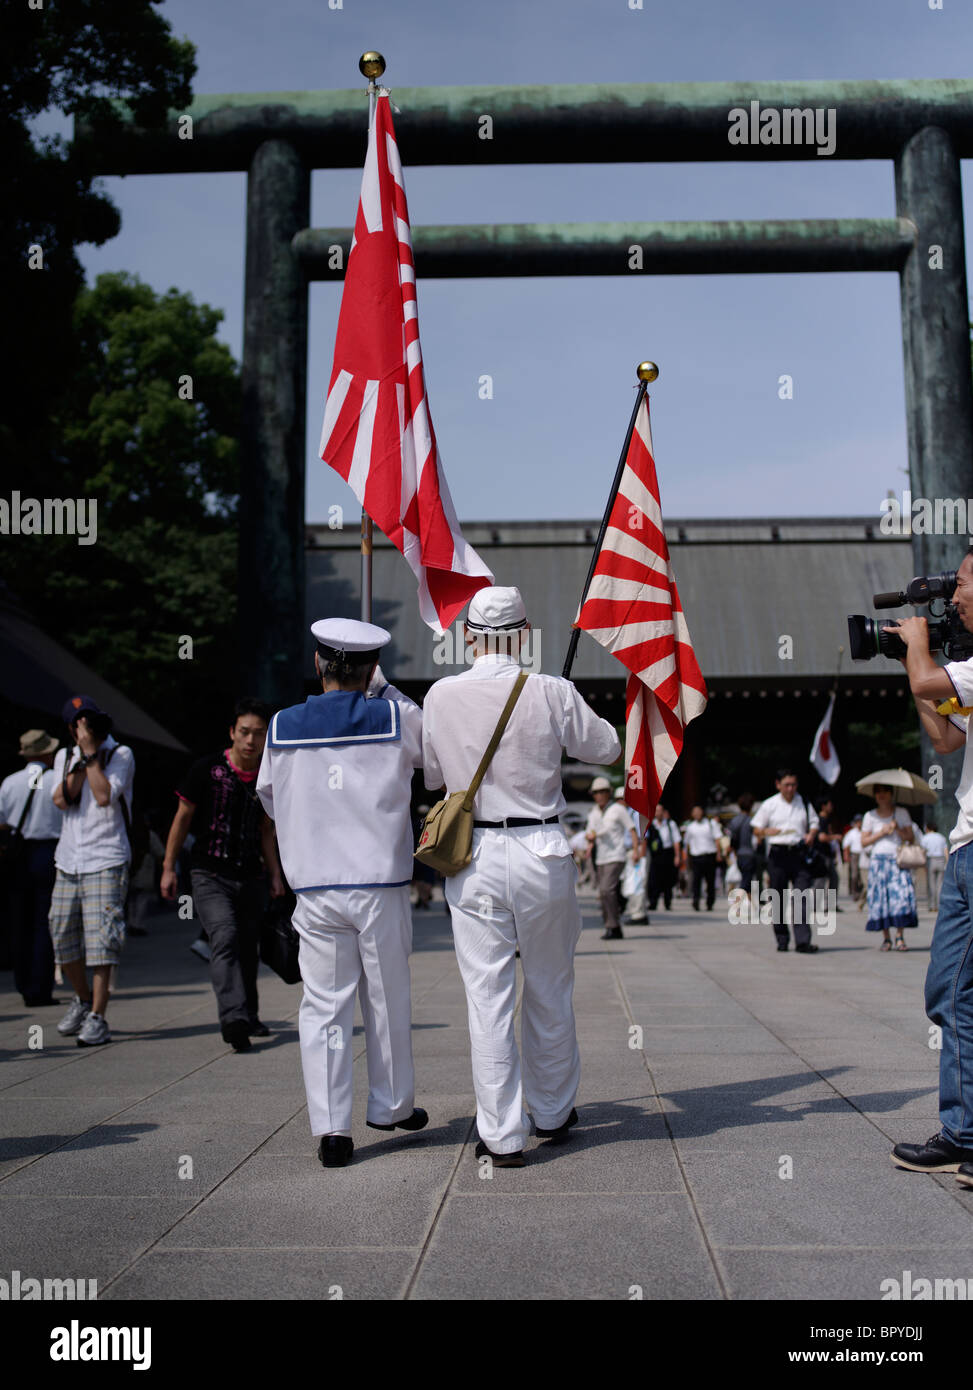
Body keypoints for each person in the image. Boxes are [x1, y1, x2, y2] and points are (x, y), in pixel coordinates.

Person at [422, 585, 621, 1166]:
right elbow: (606, 746)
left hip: (475, 853)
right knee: (550, 989)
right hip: (542, 848)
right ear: (526, 632)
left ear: (467, 636)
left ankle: (503, 1136)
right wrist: (559, 707)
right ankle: (553, 1111)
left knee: (487, 998)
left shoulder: (440, 695)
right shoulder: (550, 690)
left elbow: (436, 776)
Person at [257, 619, 427, 1169]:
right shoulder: (397, 717)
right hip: (380, 882)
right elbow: (437, 761)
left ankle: (332, 1129)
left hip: (315, 885)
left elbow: (267, 796)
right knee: (386, 997)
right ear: (372, 668)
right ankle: (392, 1105)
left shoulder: (282, 724)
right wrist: (387, 691)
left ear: (317, 664)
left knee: (325, 1007)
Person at [887, 556, 973, 1176]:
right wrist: (910, 663)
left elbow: (929, 687)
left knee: (955, 991)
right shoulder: (963, 673)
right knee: (950, 990)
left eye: (962, 584)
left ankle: (964, 1134)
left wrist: (917, 645)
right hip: (968, 849)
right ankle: (963, 1134)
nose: (955, 596)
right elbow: (945, 737)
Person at [161, 698, 284, 1052]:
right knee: (225, 936)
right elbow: (182, 818)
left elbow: (266, 831)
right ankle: (233, 1018)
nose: (250, 740)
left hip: (252, 874)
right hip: (209, 872)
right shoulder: (206, 769)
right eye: (244, 732)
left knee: (248, 946)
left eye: (259, 734)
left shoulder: (268, 775)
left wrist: (275, 874)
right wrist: (168, 868)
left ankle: (250, 1013)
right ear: (232, 732)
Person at [49, 697, 134, 1046]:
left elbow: (103, 796)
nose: (90, 732)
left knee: (102, 943)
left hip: (107, 857)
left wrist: (91, 756)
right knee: (61, 934)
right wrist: (80, 759)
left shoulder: (121, 755)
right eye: (82, 726)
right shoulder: (63, 756)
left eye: (94, 724)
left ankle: (98, 1016)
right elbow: (60, 799)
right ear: (72, 729)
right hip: (68, 859)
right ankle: (82, 1000)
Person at [0, 730, 63, 1005]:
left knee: (19, 919)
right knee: (43, 922)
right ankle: (40, 986)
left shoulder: (9, 782)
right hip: (48, 851)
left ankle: (23, 983)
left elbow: (1, 821)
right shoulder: (55, 781)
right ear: (46, 753)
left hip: (17, 853)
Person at [750, 768, 820, 953]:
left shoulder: (804, 802)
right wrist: (766, 832)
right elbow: (756, 828)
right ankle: (782, 938)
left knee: (802, 897)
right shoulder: (769, 804)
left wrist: (811, 834)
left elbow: (814, 823)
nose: (790, 788)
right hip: (778, 854)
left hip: (799, 853)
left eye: (793, 785)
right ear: (778, 785)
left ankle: (803, 941)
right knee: (778, 898)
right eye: (787, 785)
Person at [860, 785, 918, 950]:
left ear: (891, 794)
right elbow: (863, 841)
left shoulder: (901, 813)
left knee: (901, 899)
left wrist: (897, 829)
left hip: (897, 860)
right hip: (878, 861)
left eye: (885, 792)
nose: (882, 795)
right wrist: (882, 832)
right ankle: (886, 937)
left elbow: (911, 837)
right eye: (878, 792)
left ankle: (900, 936)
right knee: (881, 900)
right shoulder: (870, 816)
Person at [586, 778, 641, 939]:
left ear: (609, 793)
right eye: (596, 792)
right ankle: (613, 925)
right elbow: (590, 833)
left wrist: (636, 850)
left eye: (603, 791)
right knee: (604, 893)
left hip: (616, 855)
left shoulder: (618, 809)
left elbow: (632, 830)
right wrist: (589, 844)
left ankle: (612, 924)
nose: (600, 795)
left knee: (606, 889)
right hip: (600, 857)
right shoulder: (594, 812)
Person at [683, 805, 721, 911]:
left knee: (710, 881)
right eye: (695, 812)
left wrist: (719, 853)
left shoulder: (711, 824)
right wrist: (686, 857)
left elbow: (717, 839)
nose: (697, 814)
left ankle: (710, 902)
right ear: (692, 814)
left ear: (702, 812)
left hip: (709, 855)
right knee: (696, 881)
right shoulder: (690, 827)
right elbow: (687, 843)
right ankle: (696, 901)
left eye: (699, 812)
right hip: (696, 857)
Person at [647, 803, 682, 911]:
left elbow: (676, 841)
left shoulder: (670, 824)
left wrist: (677, 856)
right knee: (654, 880)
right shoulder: (651, 825)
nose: (658, 813)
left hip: (668, 854)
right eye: (656, 811)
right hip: (655, 855)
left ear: (663, 812)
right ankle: (653, 902)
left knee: (668, 880)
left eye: (660, 811)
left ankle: (668, 902)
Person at [727, 793, 758, 894]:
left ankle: (750, 907)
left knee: (747, 881)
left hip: (739, 854)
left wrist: (733, 850)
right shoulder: (753, 821)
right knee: (747, 882)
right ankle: (738, 905)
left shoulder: (734, 820)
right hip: (750, 854)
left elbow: (733, 838)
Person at [921, 822, 948, 912]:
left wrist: (923, 863)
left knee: (931, 884)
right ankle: (939, 905)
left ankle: (932, 906)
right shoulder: (942, 837)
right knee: (939, 884)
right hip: (941, 859)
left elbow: (923, 851)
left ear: (928, 828)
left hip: (931, 860)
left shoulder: (925, 838)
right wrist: (947, 862)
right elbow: (945, 851)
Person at [842, 813, 863, 899]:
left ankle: (861, 892)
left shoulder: (864, 831)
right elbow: (846, 845)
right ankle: (854, 892)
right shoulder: (851, 833)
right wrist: (846, 855)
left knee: (862, 876)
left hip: (863, 855)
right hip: (854, 855)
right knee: (854, 875)